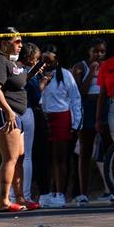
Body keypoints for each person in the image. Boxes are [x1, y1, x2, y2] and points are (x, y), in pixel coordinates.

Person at [0, 27, 38, 213]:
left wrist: (34, 72)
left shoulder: (12, 63)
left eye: (21, 41)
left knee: (20, 157)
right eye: (17, 42)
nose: (20, 45)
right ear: (4, 43)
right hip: (3, 113)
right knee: (10, 158)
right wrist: (8, 111)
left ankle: (20, 197)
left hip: (15, 114)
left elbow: (19, 82)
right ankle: (4, 201)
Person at [38, 44, 82, 208]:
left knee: (60, 158)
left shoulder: (65, 75)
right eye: (44, 60)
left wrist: (76, 123)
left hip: (61, 117)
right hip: (43, 116)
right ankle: (47, 193)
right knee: (45, 157)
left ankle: (60, 193)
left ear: (57, 59)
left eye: (50, 60)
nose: (47, 63)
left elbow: (75, 99)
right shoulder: (37, 74)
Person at [72, 39, 107, 204]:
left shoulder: (107, 65)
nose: (98, 55)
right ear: (89, 51)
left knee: (108, 148)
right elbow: (80, 91)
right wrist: (92, 73)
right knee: (85, 151)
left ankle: (111, 190)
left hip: (104, 105)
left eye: (102, 51)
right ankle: (82, 193)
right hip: (87, 107)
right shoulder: (80, 67)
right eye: (95, 51)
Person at [10, 42, 45, 204]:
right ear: (30, 59)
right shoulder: (30, 73)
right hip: (26, 111)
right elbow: (37, 96)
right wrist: (42, 82)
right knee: (26, 156)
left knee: (11, 157)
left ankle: (12, 196)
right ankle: (25, 195)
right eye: (36, 59)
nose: (37, 62)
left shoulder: (11, 68)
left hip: (11, 112)